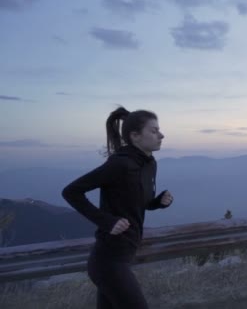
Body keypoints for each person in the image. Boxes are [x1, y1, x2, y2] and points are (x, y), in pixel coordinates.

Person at [62, 106, 173, 309]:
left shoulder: (149, 164)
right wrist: (106, 221)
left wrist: (158, 202)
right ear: (135, 136)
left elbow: (138, 202)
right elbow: (71, 192)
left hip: (125, 254)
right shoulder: (119, 165)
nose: (161, 135)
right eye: (154, 130)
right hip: (108, 260)